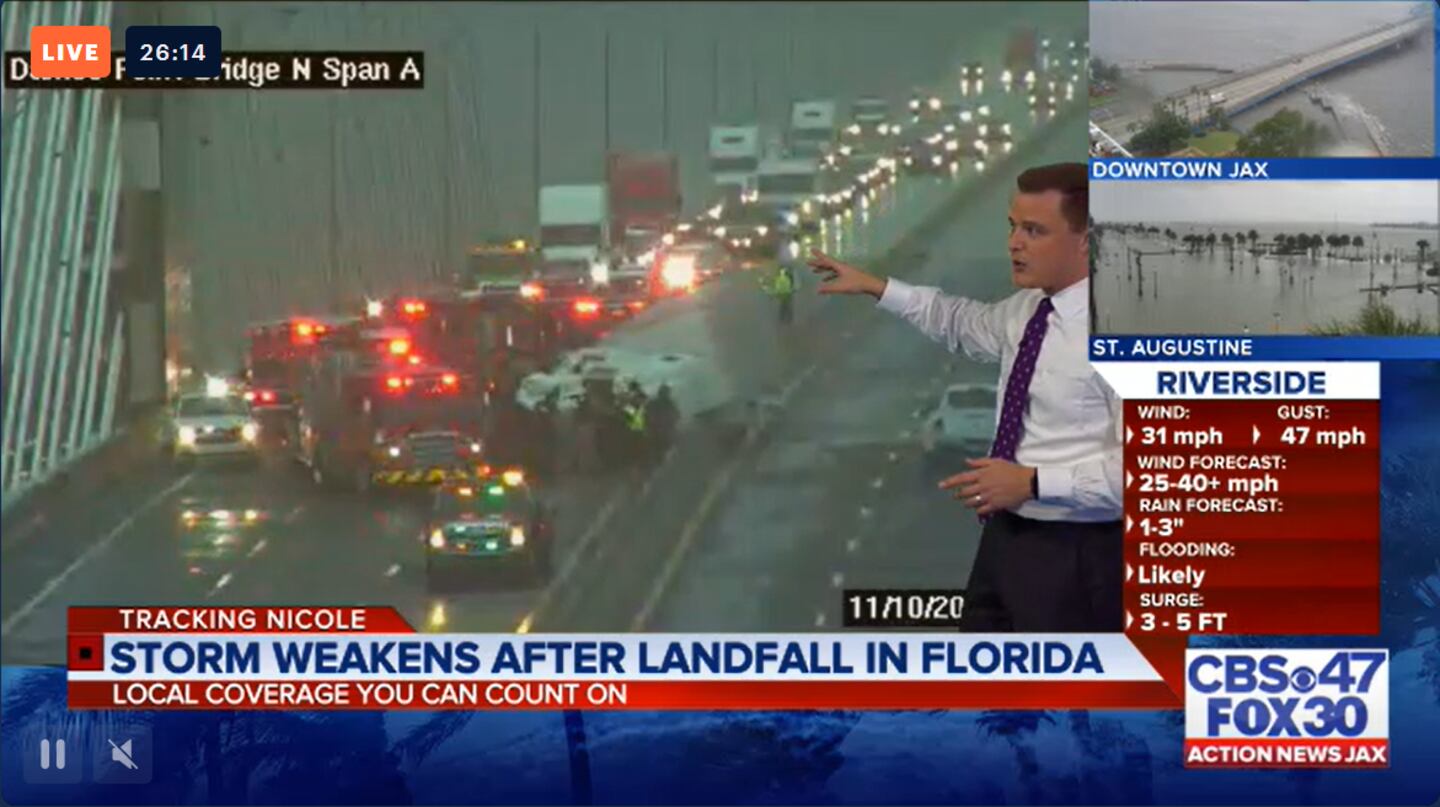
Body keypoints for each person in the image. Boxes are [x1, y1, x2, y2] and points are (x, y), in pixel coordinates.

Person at [805, 162, 1122, 633]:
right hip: (1006, 537)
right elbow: (959, 322)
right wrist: (877, 287)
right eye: (1012, 227)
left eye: (1034, 231)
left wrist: (1034, 483)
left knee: (1059, 698)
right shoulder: (1028, 310)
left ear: (1085, 240)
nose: (1014, 243)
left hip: (1080, 555)